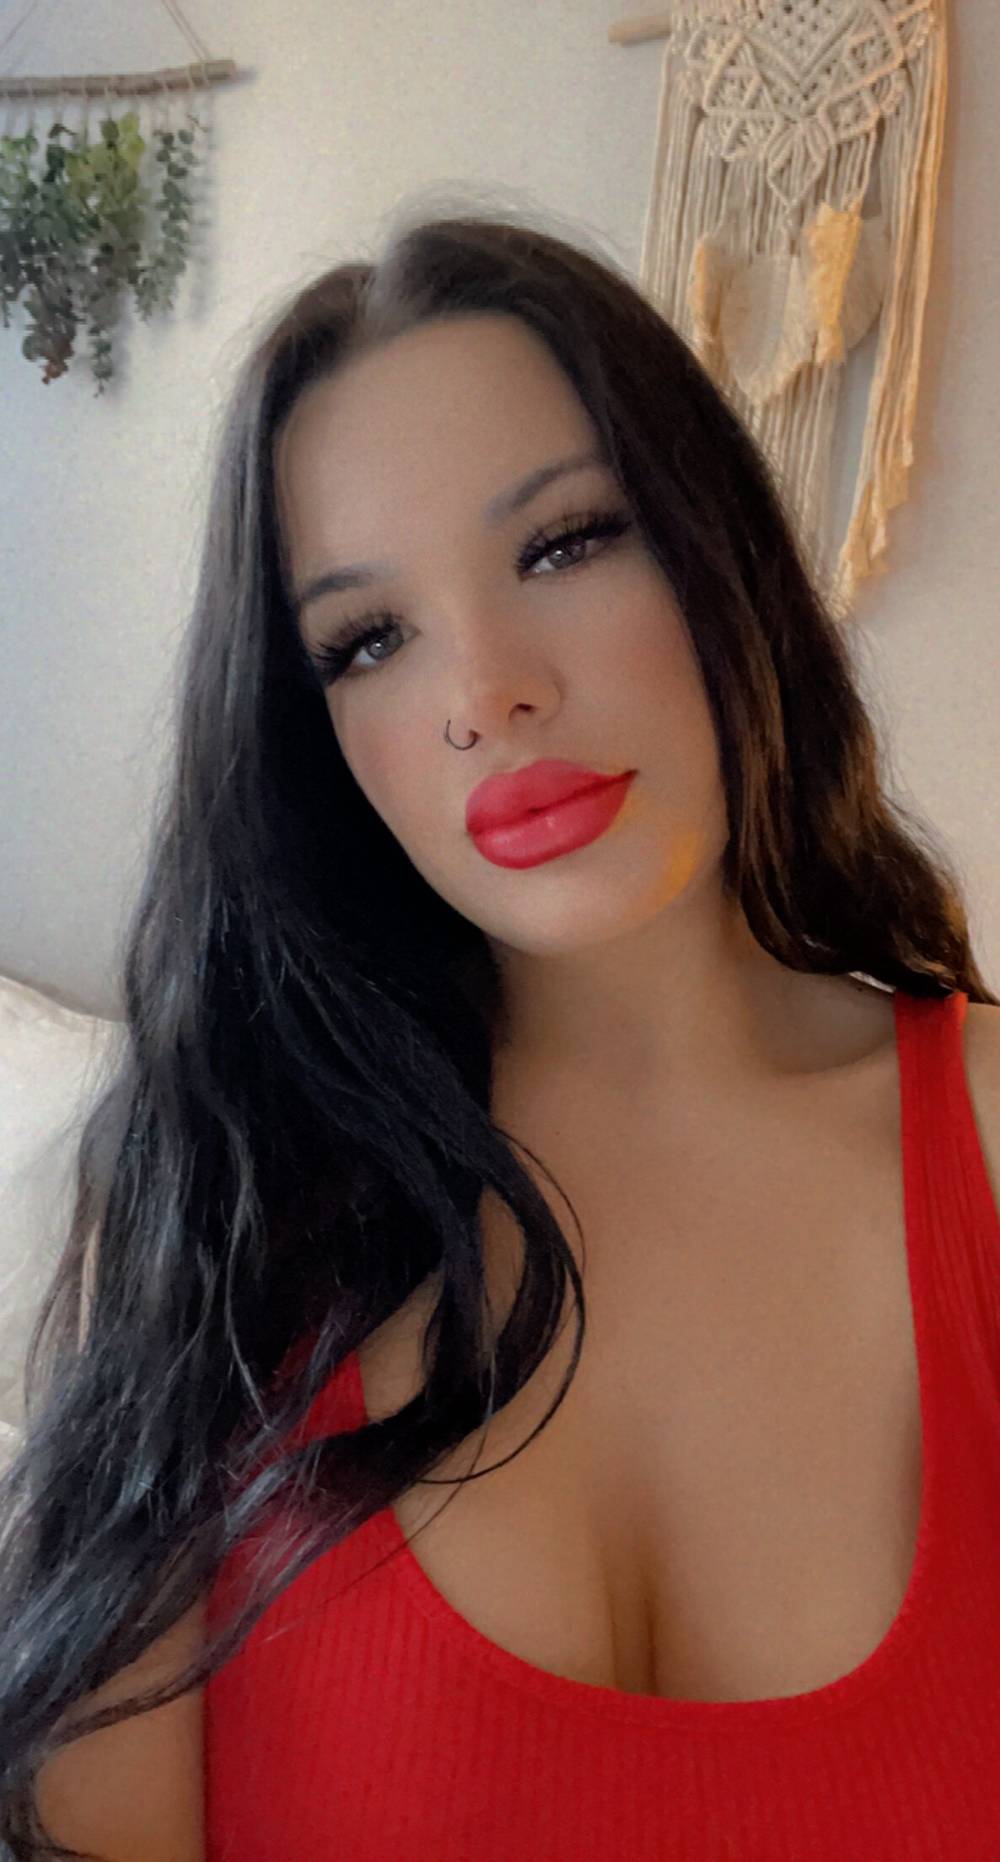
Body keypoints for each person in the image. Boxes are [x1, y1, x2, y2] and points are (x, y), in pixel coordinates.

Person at [4, 195, 1000, 1861]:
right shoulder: (226, 1197)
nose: (485, 691)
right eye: (367, 639)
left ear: (719, 550)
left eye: (563, 544)